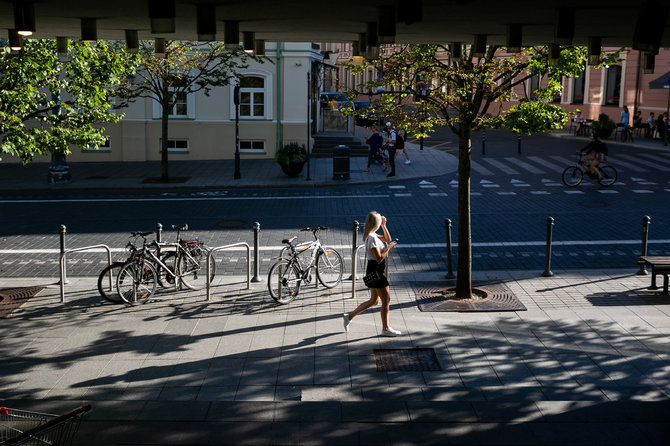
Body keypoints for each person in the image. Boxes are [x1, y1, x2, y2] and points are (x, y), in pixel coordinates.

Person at [342, 211, 400, 337]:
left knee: (374, 301)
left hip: (373, 270)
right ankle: (385, 328)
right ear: (376, 223)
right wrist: (389, 247)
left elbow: (387, 239)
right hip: (376, 270)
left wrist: (384, 226)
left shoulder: (372, 234)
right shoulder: (372, 238)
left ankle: (349, 317)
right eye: (380, 222)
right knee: (386, 300)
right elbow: (379, 258)